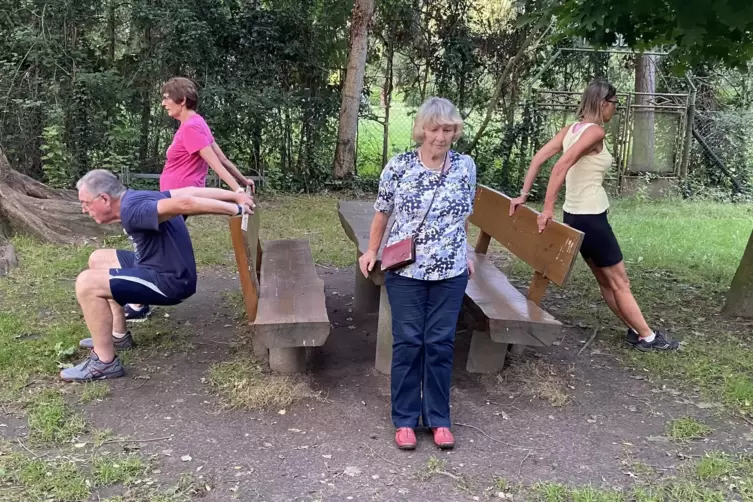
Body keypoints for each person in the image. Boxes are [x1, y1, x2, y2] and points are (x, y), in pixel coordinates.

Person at [509, 79, 679, 352]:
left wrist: (524, 194)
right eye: (614, 103)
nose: (615, 109)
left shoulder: (570, 130)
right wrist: (547, 207)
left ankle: (636, 330)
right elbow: (561, 165)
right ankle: (647, 337)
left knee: (606, 280)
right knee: (620, 281)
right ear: (603, 103)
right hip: (592, 220)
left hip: (575, 218)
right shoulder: (595, 132)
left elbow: (538, 158)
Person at [359, 97, 477, 450]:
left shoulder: (465, 166)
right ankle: (405, 419)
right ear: (421, 130)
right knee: (409, 341)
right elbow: (382, 212)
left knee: (440, 344)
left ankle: (439, 419)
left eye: (448, 129)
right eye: (434, 129)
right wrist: (371, 251)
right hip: (407, 271)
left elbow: (463, 215)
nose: (441, 137)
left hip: (451, 272)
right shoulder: (399, 166)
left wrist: (465, 252)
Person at [60, 169, 255, 382]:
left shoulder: (133, 210)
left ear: (105, 199)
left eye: (86, 203)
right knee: (99, 259)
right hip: (157, 267)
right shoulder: (135, 197)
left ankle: (104, 363)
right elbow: (189, 191)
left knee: (87, 283)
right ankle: (119, 336)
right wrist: (235, 195)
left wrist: (235, 208)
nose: (83, 209)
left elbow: (186, 203)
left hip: (170, 281)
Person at [124, 77, 255, 322]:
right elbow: (224, 159)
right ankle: (139, 299)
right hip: (171, 199)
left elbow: (215, 163)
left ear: (182, 100)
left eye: (166, 97)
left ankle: (139, 302)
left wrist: (237, 190)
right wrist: (243, 181)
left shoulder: (192, 127)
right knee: (153, 246)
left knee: (150, 246)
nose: (163, 103)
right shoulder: (195, 123)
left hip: (180, 200)